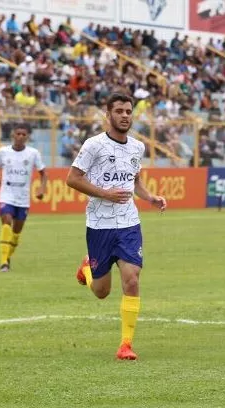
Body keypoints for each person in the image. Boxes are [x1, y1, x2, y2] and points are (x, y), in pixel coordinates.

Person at [67, 93, 167, 361]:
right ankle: (87, 269)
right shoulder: (93, 145)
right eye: (119, 111)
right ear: (108, 115)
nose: (125, 115)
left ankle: (125, 344)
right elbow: (72, 179)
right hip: (99, 226)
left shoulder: (137, 147)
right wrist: (103, 193)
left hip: (128, 224)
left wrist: (150, 197)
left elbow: (135, 182)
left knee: (132, 278)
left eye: (128, 111)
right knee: (101, 292)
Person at [0, 123, 48, 272]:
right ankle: (3, 262)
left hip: (23, 198)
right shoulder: (3, 151)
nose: (21, 137)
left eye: (24, 134)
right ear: (13, 135)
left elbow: (43, 173)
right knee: (7, 222)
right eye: (18, 134)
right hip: (6, 195)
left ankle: (7, 257)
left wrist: (42, 188)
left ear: (27, 137)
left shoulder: (33, 153)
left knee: (16, 233)